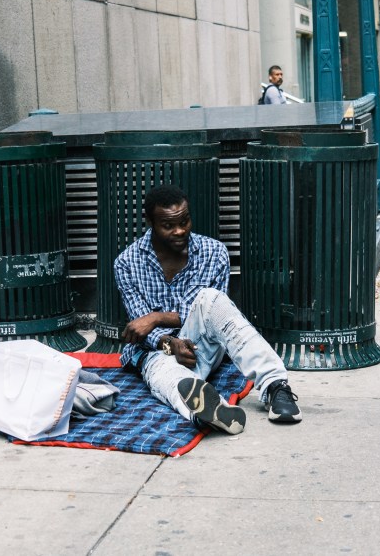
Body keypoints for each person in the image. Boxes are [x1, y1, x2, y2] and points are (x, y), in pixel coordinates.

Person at [114, 184, 303, 433]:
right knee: (164, 372)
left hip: (201, 345)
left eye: (185, 221)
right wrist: (171, 345)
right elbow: (141, 329)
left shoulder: (214, 253)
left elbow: (209, 312)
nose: (180, 231)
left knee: (211, 297)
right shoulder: (127, 263)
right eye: (168, 225)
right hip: (156, 351)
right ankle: (207, 412)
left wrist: (157, 317)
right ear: (149, 222)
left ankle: (275, 386)